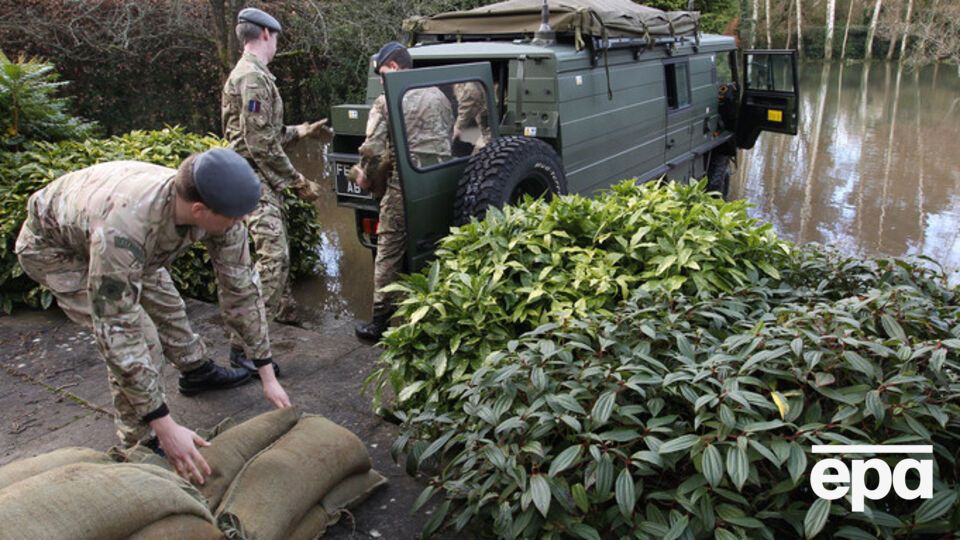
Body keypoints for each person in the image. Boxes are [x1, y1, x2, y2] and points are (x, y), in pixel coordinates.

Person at [15, 148, 292, 484]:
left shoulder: (218, 211)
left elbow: (241, 288)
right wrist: (163, 424)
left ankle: (196, 370)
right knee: (143, 341)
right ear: (199, 210)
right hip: (56, 250)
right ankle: (138, 442)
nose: (239, 224)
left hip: (126, 243)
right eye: (233, 219)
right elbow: (116, 328)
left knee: (171, 308)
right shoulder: (125, 231)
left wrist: (265, 369)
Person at [221, 7, 331, 358]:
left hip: (255, 176)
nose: (278, 43)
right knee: (274, 257)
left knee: (274, 251)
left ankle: (282, 314)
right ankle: (246, 348)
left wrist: (302, 130)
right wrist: (298, 181)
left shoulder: (256, 75)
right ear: (266, 35)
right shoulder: (253, 78)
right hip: (250, 179)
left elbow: (266, 133)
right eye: (277, 37)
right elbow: (259, 144)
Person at [352, 42, 453, 341]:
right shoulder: (439, 95)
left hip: (404, 186)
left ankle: (379, 322)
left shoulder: (387, 100)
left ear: (394, 67)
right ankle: (438, 314)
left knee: (388, 250)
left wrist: (365, 178)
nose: (383, 80)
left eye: (383, 73)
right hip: (439, 181)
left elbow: (371, 149)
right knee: (437, 245)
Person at [453, 81, 492, 153]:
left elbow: (472, 95)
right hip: (484, 125)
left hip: (489, 128)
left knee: (479, 157)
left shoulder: (471, 85)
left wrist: (459, 126)